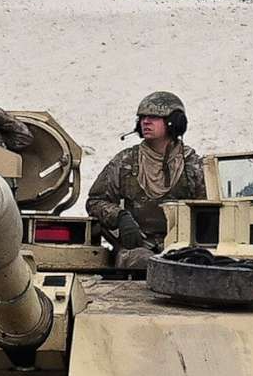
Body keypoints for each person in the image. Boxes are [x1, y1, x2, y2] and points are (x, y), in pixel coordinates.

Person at [87, 89, 206, 254]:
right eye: (142, 117)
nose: (146, 122)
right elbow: (95, 201)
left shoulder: (192, 165)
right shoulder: (125, 161)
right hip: (138, 248)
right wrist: (120, 217)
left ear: (174, 122)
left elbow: (210, 209)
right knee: (139, 261)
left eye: (154, 117)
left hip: (183, 249)